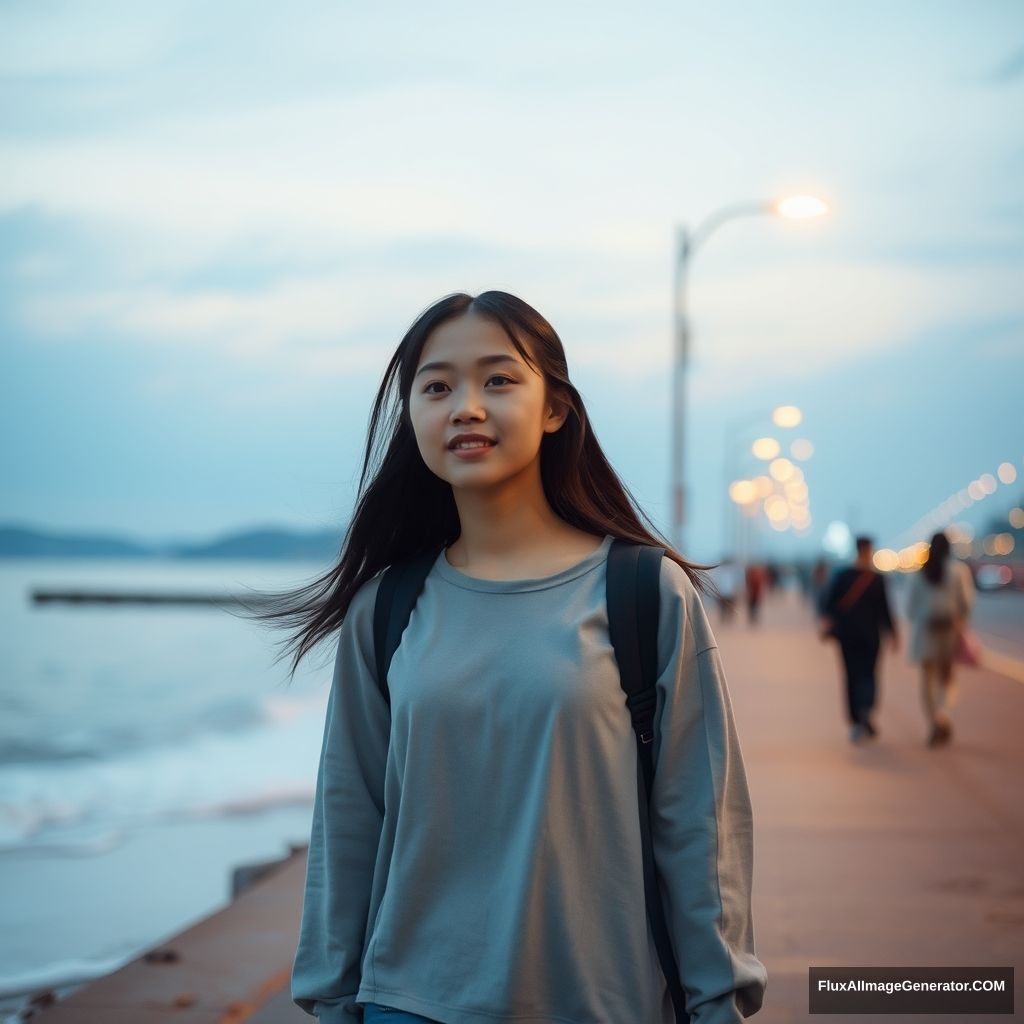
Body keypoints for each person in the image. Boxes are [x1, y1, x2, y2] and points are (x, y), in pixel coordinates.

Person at [243, 292, 767, 1023]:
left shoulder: (643, 593)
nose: (466, 407)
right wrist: (333, 997)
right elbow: (348, 812)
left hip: (600, 1001)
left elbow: (698, 817)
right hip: (410, 1004)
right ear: (414, 418)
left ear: (555, 408)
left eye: (498, 379)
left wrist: (717, 997)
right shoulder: (387, 609)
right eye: (437, 387)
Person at [819, 536, 899, 744]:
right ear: (869, 550)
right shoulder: (877, 579)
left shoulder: (843, 575)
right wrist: (893, 634)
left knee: (851, 676)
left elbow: (829, 604)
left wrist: (826, 624)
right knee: (870, 674)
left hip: (847, 635)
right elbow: (885, 610)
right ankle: (867, 709)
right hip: (871, 636)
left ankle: (856, 720)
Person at [904, 530, 976, 748]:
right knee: (947, 677)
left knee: (927, 680)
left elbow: (911, 609)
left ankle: (934, 719)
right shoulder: (957, 571)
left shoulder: (919, 574)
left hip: (926, 632)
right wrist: (960, 620)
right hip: (949, 631)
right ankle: (944, 715)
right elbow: (966, 603)